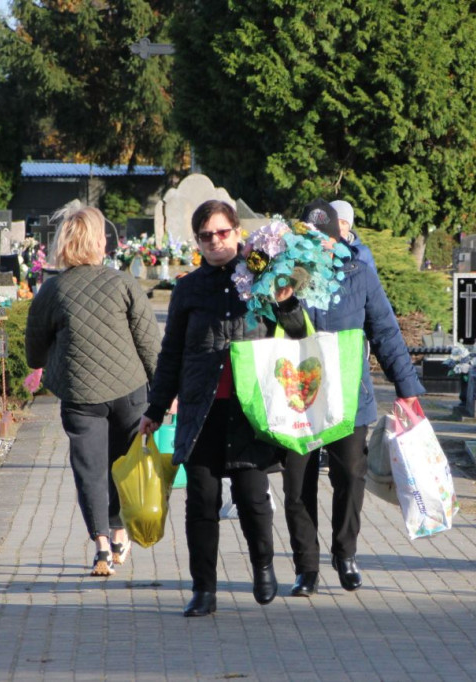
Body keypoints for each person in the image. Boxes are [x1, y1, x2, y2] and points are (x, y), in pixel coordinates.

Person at [139, 199, 305, 618]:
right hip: (202, 409)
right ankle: (204, 589)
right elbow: (171, 352)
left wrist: (286, 301)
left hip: (249, 410)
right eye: (206, 236)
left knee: (252, 498)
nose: (215, 241)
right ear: (197, 241)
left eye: (222, 232)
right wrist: (155, 408)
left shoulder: (264, 277)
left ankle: (263, 566)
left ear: (237, 232)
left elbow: (298, 335)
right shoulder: (188, 289)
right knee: (201, 501)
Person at [283, 199, 425, 597]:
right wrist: (283, 297)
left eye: (325, 239)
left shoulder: (358, 274)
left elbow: (385, 332)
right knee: (297, 483)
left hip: (349, 395)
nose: (319, 246)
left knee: (350, 475)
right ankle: (306, 567)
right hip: (300, 395)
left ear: (338, 238)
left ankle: (345, 554)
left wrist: (407, 389)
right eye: (310, 239)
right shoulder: (286, 276)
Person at [25, 207, 160, 577]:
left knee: (90, 470)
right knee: (124, 464)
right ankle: (120, 533)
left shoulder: (53, 290)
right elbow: (150, 345)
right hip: (129, 390)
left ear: (64, 243)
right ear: (100, 242)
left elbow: (34, 352)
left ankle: (101, 545)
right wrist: (165, 393)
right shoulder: (124, 284)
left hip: (80, 395)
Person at [329, 199, 377, 271]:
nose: (339, 227)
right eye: (335, 222)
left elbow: (371, 277)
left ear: (349, 226)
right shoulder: (318, 247)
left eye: (344, 223)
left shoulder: (362, 253)